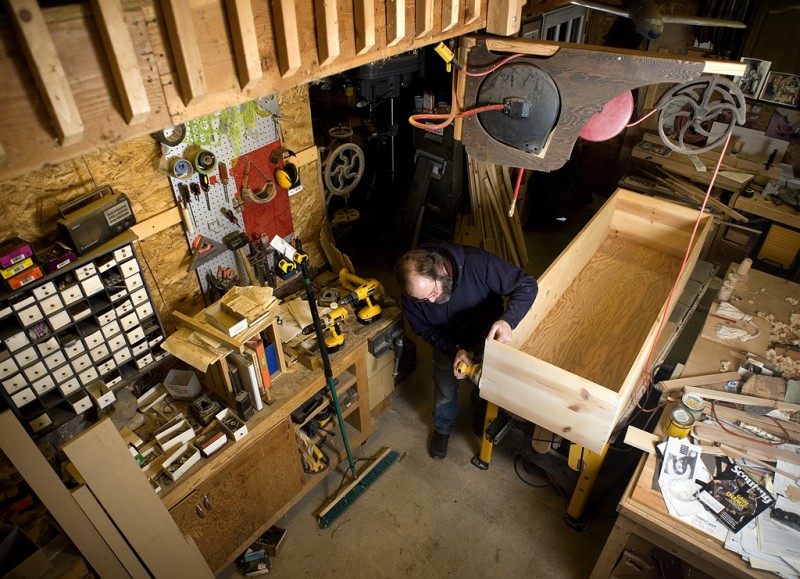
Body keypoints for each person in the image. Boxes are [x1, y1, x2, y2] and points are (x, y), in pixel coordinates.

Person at [394, 242, 538, 459]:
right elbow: (424, 330)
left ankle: (479, 411)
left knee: (484, 382)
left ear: (441, 270)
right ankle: (442, 428)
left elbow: (527, 285)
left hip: (486, 335)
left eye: (433, 292)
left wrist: (508, 321)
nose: (431, 301)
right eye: (424, 299)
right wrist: (454, 349)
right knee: (444, 388)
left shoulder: (478, 263)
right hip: (448, 341)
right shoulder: (413, 295)